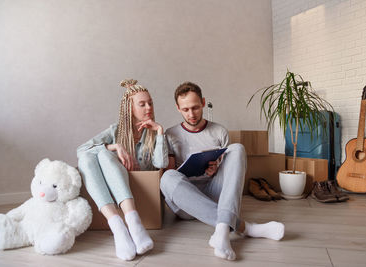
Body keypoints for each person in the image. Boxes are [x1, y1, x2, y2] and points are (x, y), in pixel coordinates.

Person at [161, 82, 285, 261]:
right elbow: (172, 173)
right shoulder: (170, 134)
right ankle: (246, 228)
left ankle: (221, 232)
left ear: (203, 102)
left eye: (195, 107)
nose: (191, 114)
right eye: (185, 109)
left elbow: (229, 171)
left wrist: (216, 169)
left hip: (215, 193)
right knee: (167, 177)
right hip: (186, 204)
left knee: (237, 149)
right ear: (178, 108)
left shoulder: (219, 131)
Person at [77, 79, 168, 261]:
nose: (148, 107)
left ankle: (133, 222)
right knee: (93, 155)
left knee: (102, 154)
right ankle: (118, 226)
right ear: (130, 109)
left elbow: (161, 163)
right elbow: (81, 150)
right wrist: (115, 147)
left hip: (143, 187)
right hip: (117, 186)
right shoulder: (115, 130)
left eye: (150, 103)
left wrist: (159, 132)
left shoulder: (152, 132)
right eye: (142, 104)